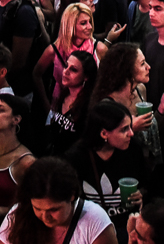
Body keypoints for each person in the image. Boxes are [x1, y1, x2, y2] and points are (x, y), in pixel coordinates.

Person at [64, 99, 155, 231]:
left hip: (128, 227)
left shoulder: (133, 149)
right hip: (92, 229)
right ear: (104, 133)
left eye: (130, 127)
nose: (131, 133)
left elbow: (147, 184)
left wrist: (140, 194)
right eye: (124, 129)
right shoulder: (76, 158)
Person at [0, 155, 118, 244]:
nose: (45, 216)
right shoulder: (19, 214)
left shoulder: (94, 219)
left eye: (53, 209)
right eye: (37, 208)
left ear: (72, 196)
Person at [0, 92, 37, 210]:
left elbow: (30, 206)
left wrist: (0, 211)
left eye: (0, 110)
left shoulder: (27, 163)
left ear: (16, 119)